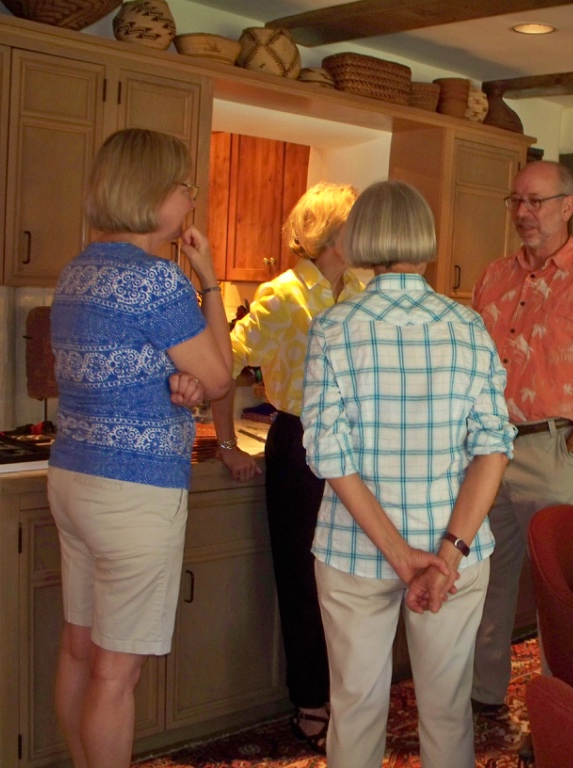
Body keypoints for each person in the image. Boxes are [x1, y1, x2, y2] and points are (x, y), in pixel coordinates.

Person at [48, 128, 249, 768]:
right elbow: (221, 376)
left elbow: (149, 371)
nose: (191, 200)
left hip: (73, 479)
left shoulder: (79, 270)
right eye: (186, 187)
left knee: (79, 648)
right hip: (133, 494)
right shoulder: (155, 280)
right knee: (116, 673)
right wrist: (209, 280)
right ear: (153, 192)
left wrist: (177, 384)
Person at [300, 180, 516, 768]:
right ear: (425, 238)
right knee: (447, 711)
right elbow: (494, 448)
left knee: (355, 708)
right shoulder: (468, 327)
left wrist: (399, 556)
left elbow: (328, 455)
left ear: (359, 239)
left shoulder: (333, 328)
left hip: (354, 550)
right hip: (455, 551)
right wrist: (447, 554)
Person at [470, 160, 573, 719]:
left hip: (553, 448)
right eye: (516, 200)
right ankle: (483, 693)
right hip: (487, 449)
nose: (523, 212)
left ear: (567, 206)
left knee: (559, 590)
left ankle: (563, 714)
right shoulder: (494, 276)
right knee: (484, 576)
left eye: (535, 201)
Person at [210, 182, 363, 753]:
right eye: (355, 224)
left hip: (358, 446)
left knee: (352, 578)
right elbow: (222, 363)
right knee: (304, 577)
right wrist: (226, 442)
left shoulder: (363, 290)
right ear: (331, 233)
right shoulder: (282, 295)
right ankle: (311, 700)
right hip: (301, 445)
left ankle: (349, 696)